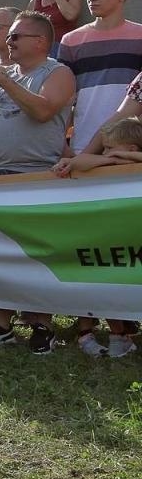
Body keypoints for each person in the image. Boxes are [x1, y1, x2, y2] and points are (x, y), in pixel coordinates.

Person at [0, 11, 74, 354]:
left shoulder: (57, 73)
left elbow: (44, 110)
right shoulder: (2, 77)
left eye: (16, 36)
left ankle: (42, 323)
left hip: (37, 175)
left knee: (37, 253)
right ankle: (1, 322)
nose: (9, 41)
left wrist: (5, 82)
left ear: (40, 41)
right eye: (9, 36)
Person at [53, 117, 142, 359]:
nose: (104, 152)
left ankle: (119, 335)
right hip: (104, 235)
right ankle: (91, 334)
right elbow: (80, 161)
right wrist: (113, 158)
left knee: (117, 282)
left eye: (110, 147)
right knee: (94, 277)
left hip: (128, 237)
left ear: (132, 148)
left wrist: (127, 157)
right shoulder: (107, 162)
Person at [57, 0, 142, 157]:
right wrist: (60, 140)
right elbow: (65, 99)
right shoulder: (71, 40)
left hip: (128, 145)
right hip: (82, 141)